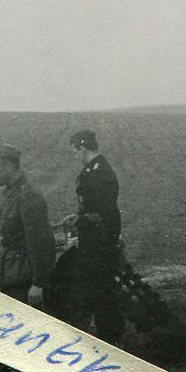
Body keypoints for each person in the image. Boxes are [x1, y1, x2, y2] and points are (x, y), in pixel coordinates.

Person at [62, 130, 126, 345]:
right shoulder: (93, 170)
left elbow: (104, 213)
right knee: (94, 290)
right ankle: (105, 337)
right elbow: (91, 207)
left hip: (100, 243)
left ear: (82, 148)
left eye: (75, 151)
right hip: (93, 240)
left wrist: (82, 221)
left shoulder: (100, 173)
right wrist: (79, 217)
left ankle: (112, 341)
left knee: (102, 293)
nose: (74, 156)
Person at [0, 144, 56, 307]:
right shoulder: (10, 192)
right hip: (11, 273)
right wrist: (0, 274)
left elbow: (41, 242)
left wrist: (38, 284)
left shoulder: (28, 196)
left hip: (24, 277)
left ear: (9, 166)